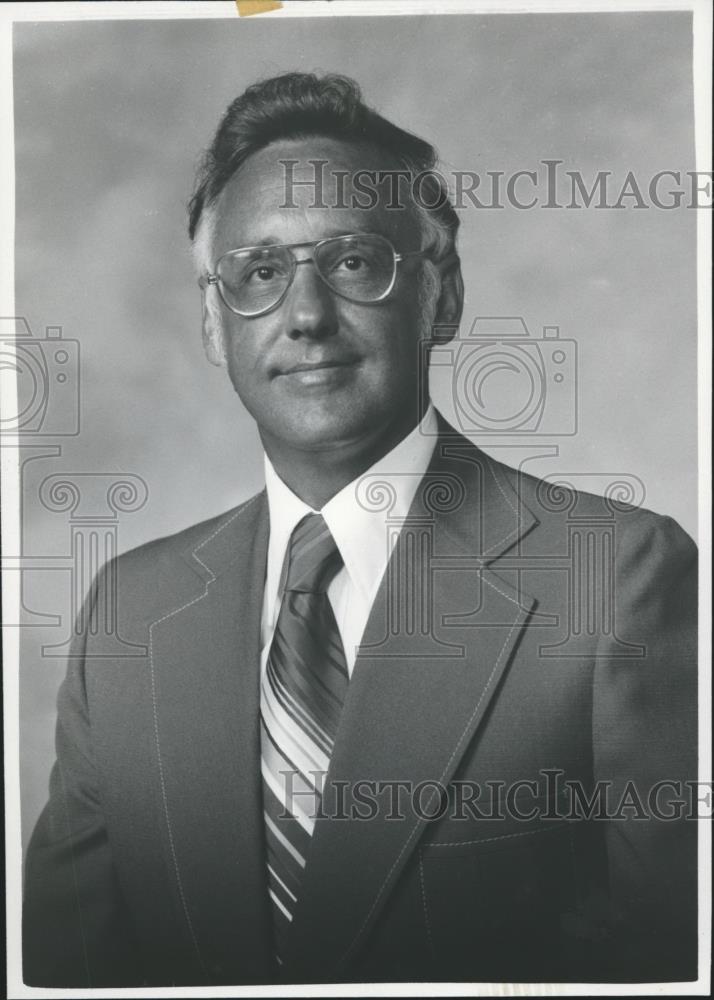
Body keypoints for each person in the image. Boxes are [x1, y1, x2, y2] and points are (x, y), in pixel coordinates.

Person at [23, 72, 698, 988]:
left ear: (442, 295)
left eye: (351, 263)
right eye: (259, 273)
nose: (304, 317)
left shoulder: (616, 577)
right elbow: (69, 979)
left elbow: (677, 966)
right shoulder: (129, 616)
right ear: (214, 324)